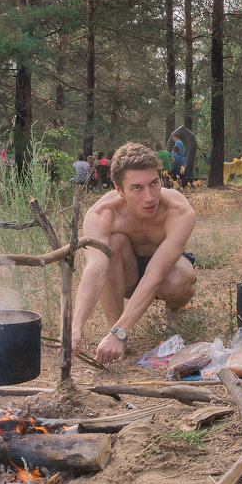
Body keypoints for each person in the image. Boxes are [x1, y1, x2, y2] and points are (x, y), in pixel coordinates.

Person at [71, 142, 197, 364]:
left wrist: (122, 330)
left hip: (166, 269)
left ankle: (170, 315)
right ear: (119, 190)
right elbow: (96, 269)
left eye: (154, 184)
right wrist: (75, 326)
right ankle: (116, 336)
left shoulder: (179, 210)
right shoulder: (102, 214)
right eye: (137, 188)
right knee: (113, 243)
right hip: (126, 269)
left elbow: (156, 274)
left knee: (175, 281)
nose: (149, 197)